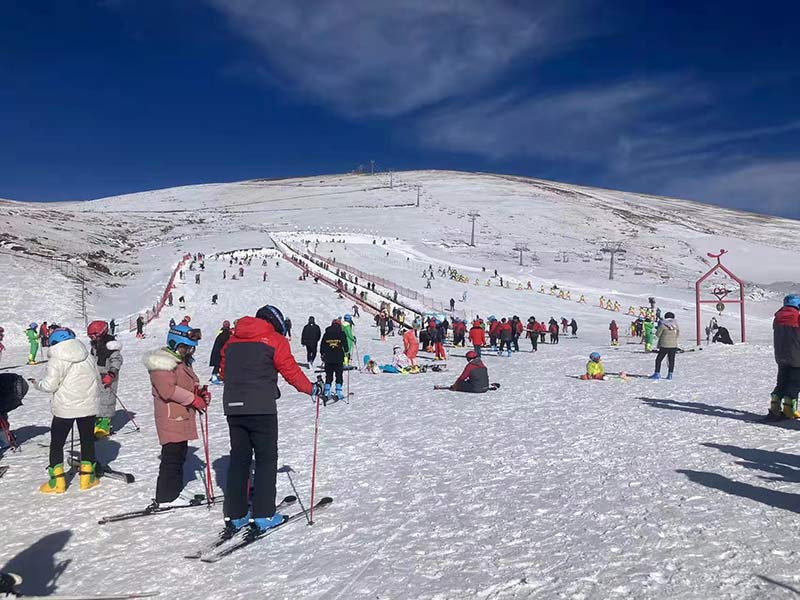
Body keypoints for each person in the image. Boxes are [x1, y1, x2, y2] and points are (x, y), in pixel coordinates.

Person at [219, 305, 318, 533]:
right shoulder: (274, 340)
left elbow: (224, 372)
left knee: (239, 459)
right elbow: (291, 371)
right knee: (265, 459)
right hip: (261, 408)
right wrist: (312, 389)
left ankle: (236, 514)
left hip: (233, 407)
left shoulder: (231, 341)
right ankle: (263, 514)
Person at [144, 324, 209, 508]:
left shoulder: (179, 361)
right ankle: (165, 497)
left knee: (180, 455)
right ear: (175, 343)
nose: (188, 351)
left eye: (189, 348)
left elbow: (187, 383)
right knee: (171, 457)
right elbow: (167, 390)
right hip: (170, 416)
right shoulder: (162, 362)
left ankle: (175, 490)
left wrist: (200, 393)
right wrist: (193, 400)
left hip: (180, 416)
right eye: (185, 347)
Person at [31, 328, 100, 493]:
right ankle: (87, 478)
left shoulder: (56, 359)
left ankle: (58, 482)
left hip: (65, 408)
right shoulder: (87, 355)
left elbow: (50, 385)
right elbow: (97, 378)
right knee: (87, 441)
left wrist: (37, 384)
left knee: (57, 444)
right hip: (88, 406)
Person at [87, 320, 123, 438]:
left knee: (106, 401)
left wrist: (111, 374)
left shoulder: (111, 345)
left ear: (101, 333)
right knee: (96, 400)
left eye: (93, 335)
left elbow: (117, 360)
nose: (91, 338)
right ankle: (95, 423)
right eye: (90, 336)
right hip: (96, 376)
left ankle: (103, 427)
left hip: (108, 376)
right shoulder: (95, 344)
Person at [769, 295, 800, 419]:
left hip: (780, 356)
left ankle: (774, 408)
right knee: (795, 383)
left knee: (781, 381)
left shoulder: (777, 318)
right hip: (797, 357)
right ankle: (789, 410)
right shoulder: (797, 317)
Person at [650, 312, 679, 380]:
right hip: (674, 345)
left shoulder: (663, 325)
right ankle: (670, 375)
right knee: (671, 360)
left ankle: (657, 373)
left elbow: (658, 334)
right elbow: (677, 334)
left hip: (664, 345)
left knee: (659, 359)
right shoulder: (676, 325)